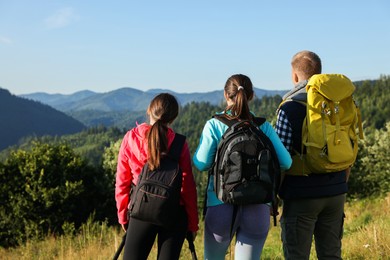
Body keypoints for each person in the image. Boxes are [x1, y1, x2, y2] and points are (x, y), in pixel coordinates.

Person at [193, 74, 292, 260]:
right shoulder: (263, 127)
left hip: (220, 203)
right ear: (251, 95)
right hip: (258, 206)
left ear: (225, 94)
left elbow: (202, 163)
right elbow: (286, 162)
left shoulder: (214, 125)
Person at [276, 50, 349, 259]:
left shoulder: (289, 107)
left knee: (297, 255)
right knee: (331, 255)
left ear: (295, 75)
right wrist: (341, 184)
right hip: (336, 191)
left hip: (301, 194)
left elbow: (282, 159)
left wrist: (276, 194)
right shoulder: (338, 104)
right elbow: (347, 149)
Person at [115, 93, 199, 260]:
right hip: (175, 213)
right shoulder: (179, 143)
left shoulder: (131, 138)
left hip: (141, 211)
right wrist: (192, 223)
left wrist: (123, 216)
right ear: (173, 118)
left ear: (149, 110)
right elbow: (188, 187)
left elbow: (122, 183)